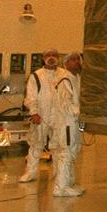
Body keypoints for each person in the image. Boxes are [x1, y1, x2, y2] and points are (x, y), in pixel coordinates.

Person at [19, 49, 64, 184]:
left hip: (59, 116)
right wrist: (34, 112)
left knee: (58, 146)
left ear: (58, 58)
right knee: (36, 144)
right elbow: (31, 96)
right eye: (48, 55)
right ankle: (30, 173)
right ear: (43, 58)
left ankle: (58, 174)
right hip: (41, 115)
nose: (51, 58)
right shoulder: (36, 76)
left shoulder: (64, 74)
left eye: (54, 55)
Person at [49, 54, 84, 197]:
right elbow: (65, 105)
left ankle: (69, 183)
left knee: (73, 152)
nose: (77, 62)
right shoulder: (65, 80)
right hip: (66, 123)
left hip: (74, 122)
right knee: (66, 153)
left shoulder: (77, 79)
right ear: (66, 63)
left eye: (78, 59)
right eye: (73, 60)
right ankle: (60, 187)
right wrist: (81, 111)